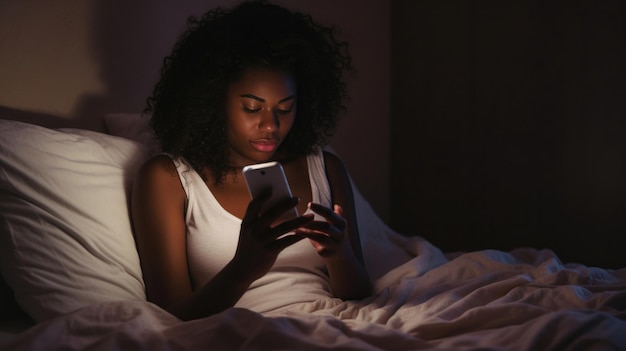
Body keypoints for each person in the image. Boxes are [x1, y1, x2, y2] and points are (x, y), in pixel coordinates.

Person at [131, 0, 371, 321]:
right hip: (238, 330)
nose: (271, 125)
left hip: (335, 322)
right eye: (252, 108)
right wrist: (243, 269)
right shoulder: (168, 179)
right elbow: (169, 317)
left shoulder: (325, 167)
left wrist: (339, 255)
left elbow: (358, 292)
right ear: (214, 101)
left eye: (285, 109)